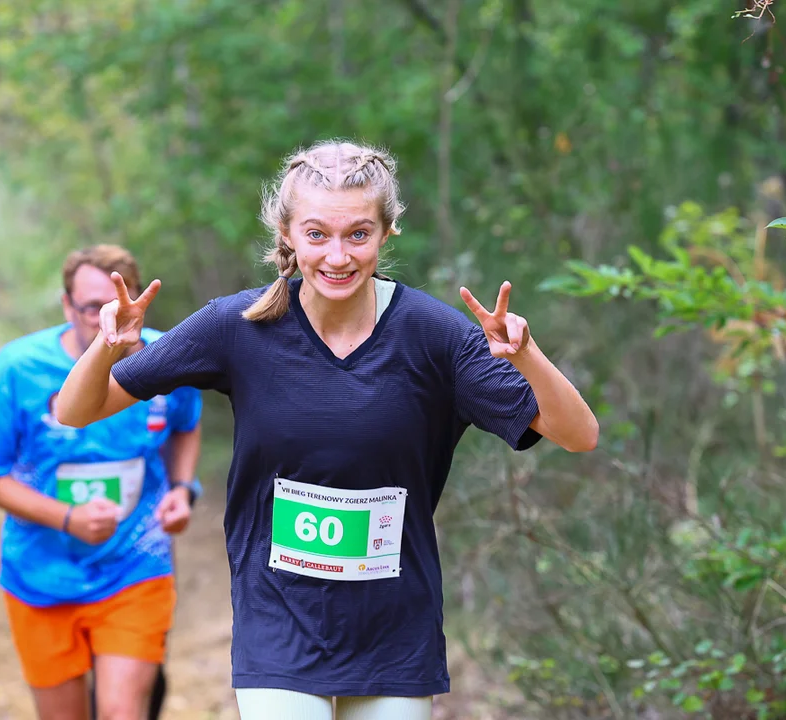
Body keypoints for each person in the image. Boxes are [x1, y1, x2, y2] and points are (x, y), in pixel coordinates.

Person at [54, 140, 600, 720]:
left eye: (357, 234)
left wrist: (529, 357)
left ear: (387, 233)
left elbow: (579, 434)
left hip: (394, 623)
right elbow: (76, 410)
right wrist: (105, 350)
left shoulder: (434, 336)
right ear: (287, 233)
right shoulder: (236, 327)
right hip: (278, 616)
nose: (337, 256)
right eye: (317, 234)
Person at [0, 244, 204, 720]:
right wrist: (67, 517)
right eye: (92, 306)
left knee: (121, 712)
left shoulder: (168, 359)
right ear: (66, 306)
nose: (105, 317)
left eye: (118, 303)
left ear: (138, 299)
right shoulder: (16, 370)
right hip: (40, 575)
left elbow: (186, 423)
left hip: (136, 565)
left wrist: (181, 488)